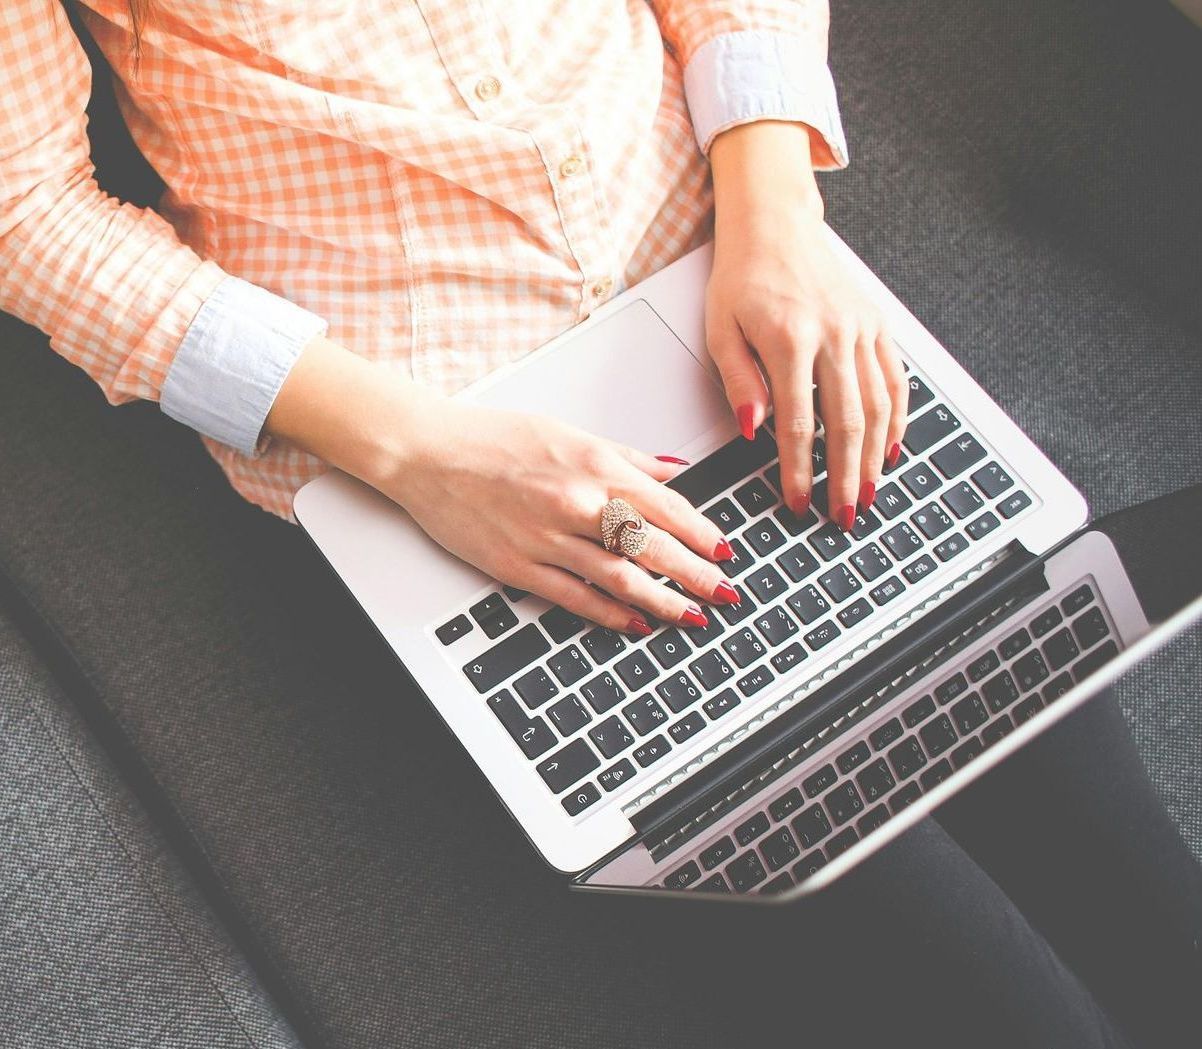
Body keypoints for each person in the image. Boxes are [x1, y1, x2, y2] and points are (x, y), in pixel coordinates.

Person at [1, 4, 1198, 1047]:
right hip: (437, 448)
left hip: (733, 296)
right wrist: (423, 452)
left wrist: (776, 220)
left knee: (1134, 886)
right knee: (987, 991)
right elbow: (27, 209)